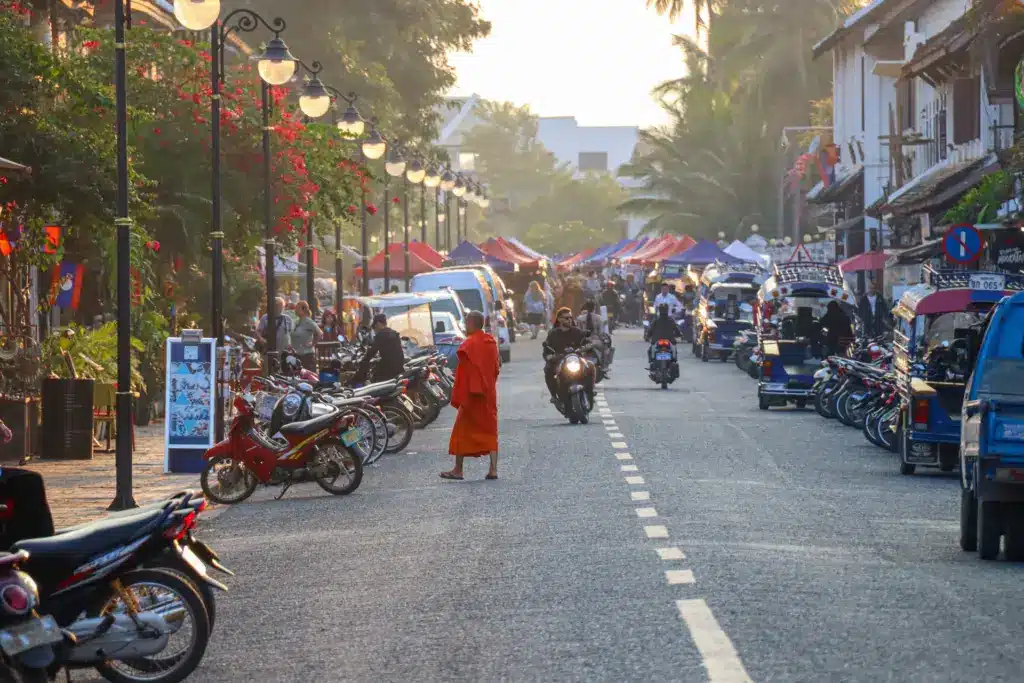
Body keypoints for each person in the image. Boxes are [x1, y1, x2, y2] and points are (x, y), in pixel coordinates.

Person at [441, 311, 501, 481]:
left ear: (471, 323)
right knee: (490, 430)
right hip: (488, 393)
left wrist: (460, 394)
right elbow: (496, 367)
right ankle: (493, 469)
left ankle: (458, 470)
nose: (465, 326)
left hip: (472, 396)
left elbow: (464, 373)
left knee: (462, 430)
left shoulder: (468, 345)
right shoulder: (490, 343)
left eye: (466, 322)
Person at [543, 307, 589, 402]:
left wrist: (586, 347)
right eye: (566, 318)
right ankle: (554, 395)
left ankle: (590, 391)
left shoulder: (577, 332)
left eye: (570, 318)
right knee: (548, 369)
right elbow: (546, 349)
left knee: (591, 366)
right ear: (559, 319)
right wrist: (549, 356)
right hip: (559, 359)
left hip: (576, 358)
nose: (569, 320)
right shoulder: (553, 333)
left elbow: (586, 342)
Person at [355, 313, 405, 383]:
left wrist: (364, 360)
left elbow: (371, 352)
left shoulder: (381, 334)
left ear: (378, 323)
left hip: (389, 369)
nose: (374, 330)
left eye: (374, 327)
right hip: (399, 366)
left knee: (374, 378)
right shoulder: (393, 332)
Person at [290, 300, 322, 370]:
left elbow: (319, 333)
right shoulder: (297, 322)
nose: (295, 310)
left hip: (307, 356)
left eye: (298, 308)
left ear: (304, 309)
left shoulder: (309, 322)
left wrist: (313, 343)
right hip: (296, 355)